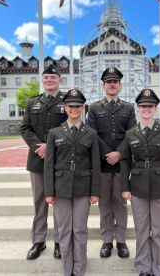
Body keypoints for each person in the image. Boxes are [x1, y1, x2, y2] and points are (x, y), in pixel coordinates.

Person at [121, 88, 160, 276]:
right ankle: (143, 267)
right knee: (141, 230)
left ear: (155, 109)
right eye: (143, 106)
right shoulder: (130, 133)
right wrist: (125, 187)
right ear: (138, 109)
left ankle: (158, 267)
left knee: (158, 231)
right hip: (138, 187)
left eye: (150, 106)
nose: (146, 109)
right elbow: (124, 160)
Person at [44, 89, 101, 276]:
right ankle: (67, 270)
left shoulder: (91, 133)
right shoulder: (54, 133)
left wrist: (95, 192)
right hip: (60, 189)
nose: (74, 109)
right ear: (65, 108)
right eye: (70, 106)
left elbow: (95, 164)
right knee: (64, 231)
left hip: (83, 189)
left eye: (77, 106)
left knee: (80, 231)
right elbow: (49, 164)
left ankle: (79, 270)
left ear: (82, 108)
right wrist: (49, 192)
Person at [87, 67, 137, 259]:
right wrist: (109, 153)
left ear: (120, 85)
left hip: (122, 162)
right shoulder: (94, 108)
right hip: (102, 162)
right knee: (105, 204)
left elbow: (132, 133)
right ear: (104, 85)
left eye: (115, 82)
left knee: (120, 203)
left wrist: (119, 152)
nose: (112, 84)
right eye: (109, 82)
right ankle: (107, 241)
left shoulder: (128, 107)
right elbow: (92, 134)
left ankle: (122, 240)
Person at [20, 65, 67, 260]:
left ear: (59, 80)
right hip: (37, 159)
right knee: (40, 201)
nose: (49, 80)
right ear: (42, 80)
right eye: (46, 77)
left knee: (58, 201)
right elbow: (25, 128)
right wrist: (38, 147)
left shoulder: (68, 101)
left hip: (60, 159)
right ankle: (38, 241)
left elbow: (70, 125)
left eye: (53, 77)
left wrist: (50, 146)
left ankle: (59, 241)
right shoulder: (33, 103)